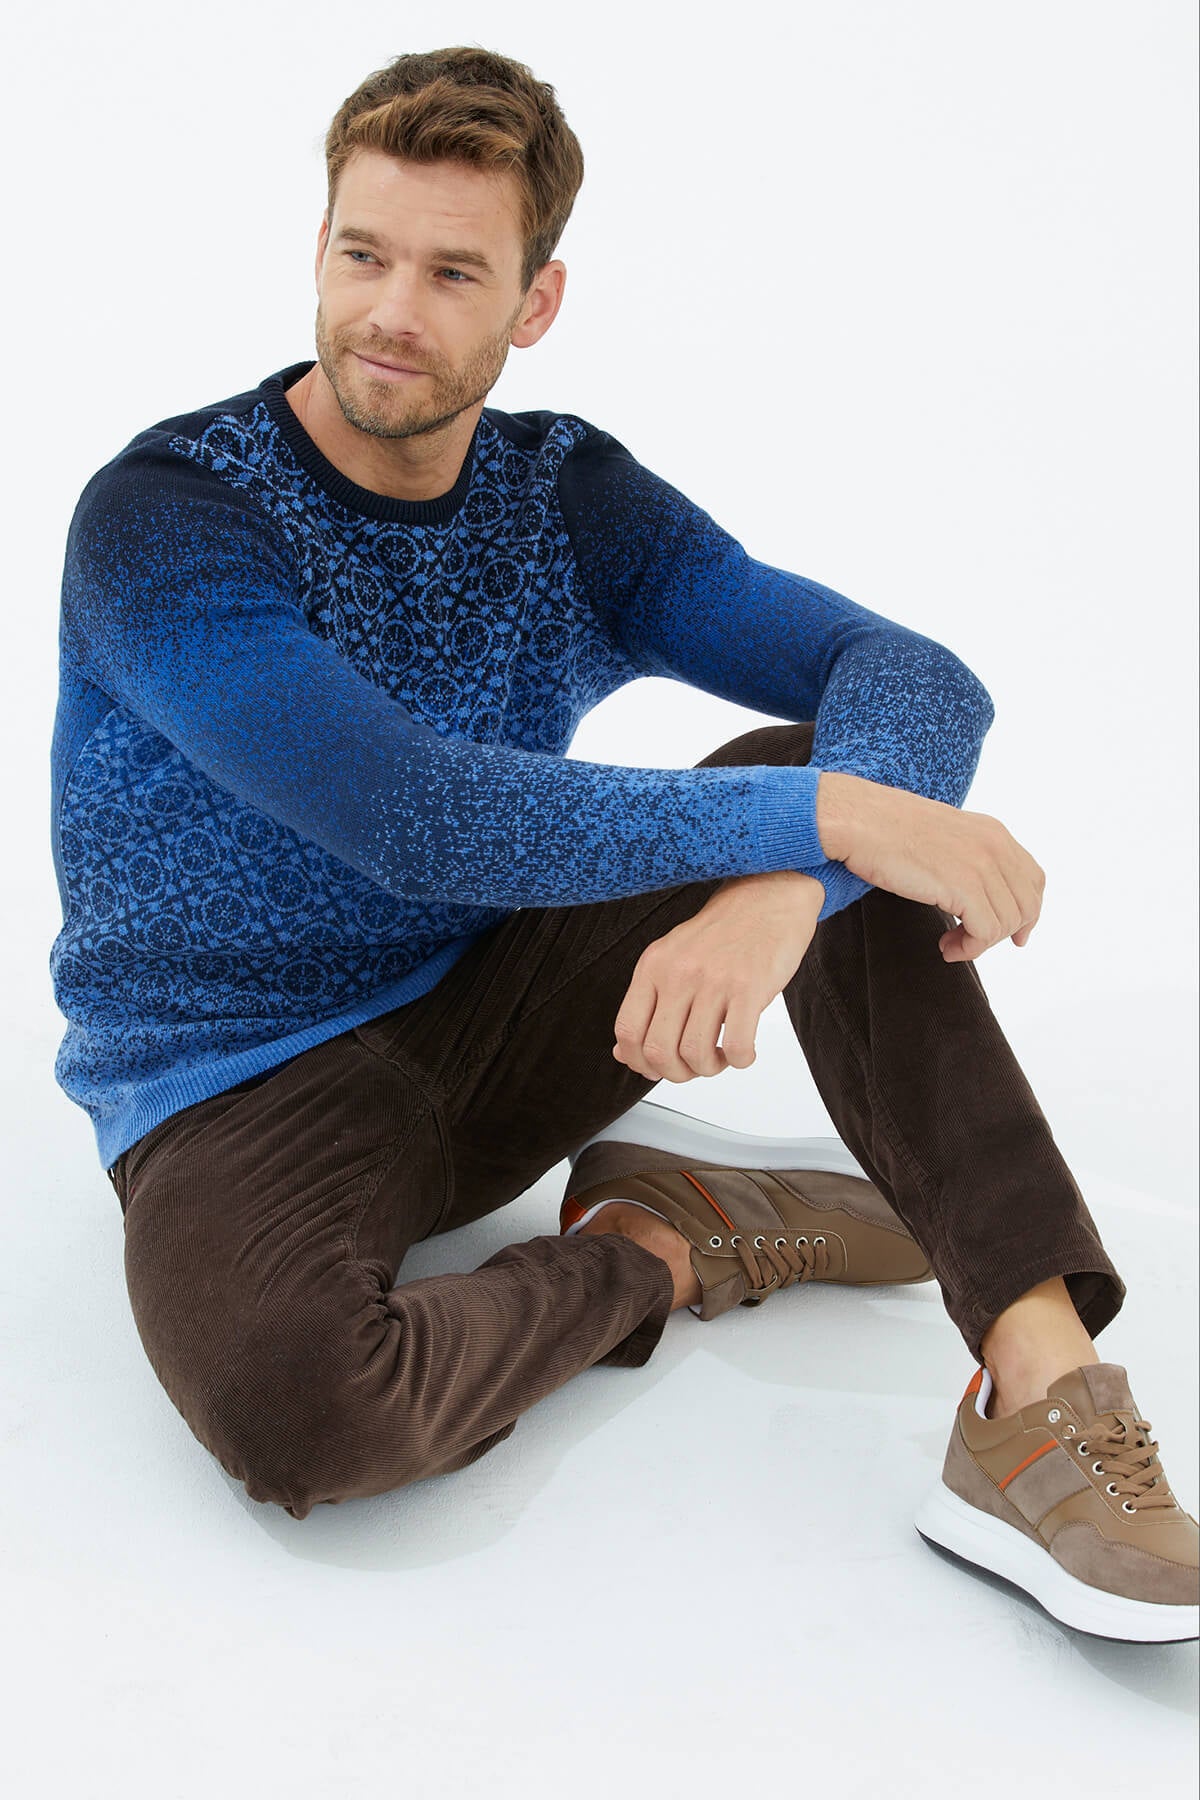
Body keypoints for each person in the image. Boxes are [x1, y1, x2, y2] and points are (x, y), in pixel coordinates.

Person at [49, 44, 1196, 1641]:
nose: (392, 311)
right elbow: (409, 811)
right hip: (231, 1088)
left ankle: (1038, 1393)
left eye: (454, 273)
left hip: (504, 1006)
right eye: (363, 255)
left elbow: (910, 675)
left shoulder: (563, 498)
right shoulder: (172, 521)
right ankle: (671, 1239)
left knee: (846, 791)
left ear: (537, 301)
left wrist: (795, 882)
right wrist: (822, 820)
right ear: (317, 249)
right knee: (304, 1416)